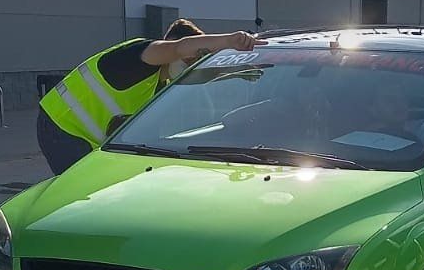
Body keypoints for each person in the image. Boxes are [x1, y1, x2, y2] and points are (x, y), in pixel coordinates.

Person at [37, 20, 259, 176]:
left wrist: (231, 72)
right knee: (84, 192)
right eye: (189, 58)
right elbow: (181, 48)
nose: (188, 64)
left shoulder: (159, 82)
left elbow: (194, 77)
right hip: (61, 127)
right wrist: (231, 40)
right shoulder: (140, 55)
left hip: (83, 135)